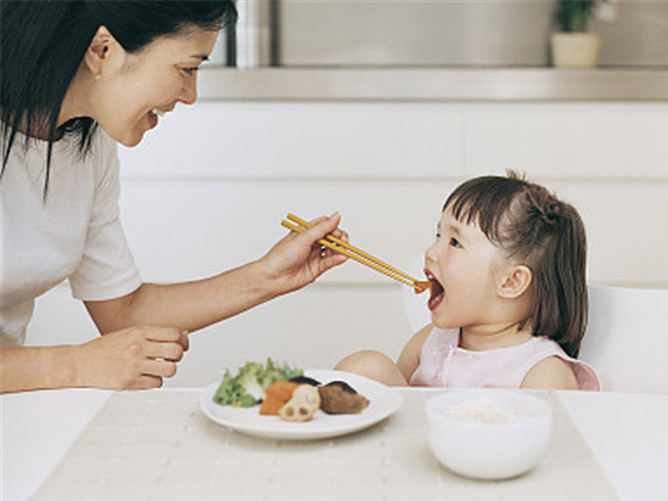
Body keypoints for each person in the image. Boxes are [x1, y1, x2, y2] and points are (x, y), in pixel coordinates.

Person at [0, 1, 347, 393]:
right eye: (187, 69)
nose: (190, 95)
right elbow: (96, 352)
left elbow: (123, 313)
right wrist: (76, 365)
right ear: (102, 51)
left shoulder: (89, 146)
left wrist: (268, 276)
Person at [335, 171, 600, 390]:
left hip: (486, 454)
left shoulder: (543, 373)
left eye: (454, 242)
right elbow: (397, 408)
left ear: (511, 282)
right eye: (437, 235)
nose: (430, 252)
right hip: (416, 448)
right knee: (366, 367)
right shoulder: (429, 341)